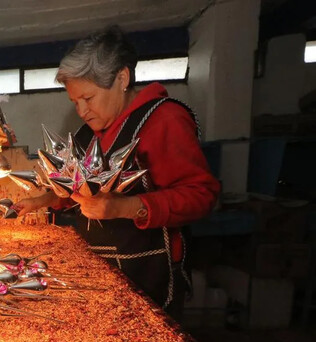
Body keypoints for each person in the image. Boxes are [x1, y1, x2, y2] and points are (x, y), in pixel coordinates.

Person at [13, 26, 220, 316]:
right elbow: (81, 191)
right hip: (101, 269)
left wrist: (127, 207)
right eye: (74, 102)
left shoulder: (163, 120)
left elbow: (202, 196)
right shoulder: (88, 134)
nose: (82, 111)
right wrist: (45, 200)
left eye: (89, 98)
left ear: (122, 78)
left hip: (149, 275)